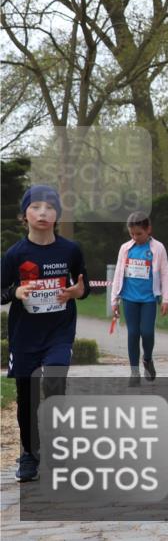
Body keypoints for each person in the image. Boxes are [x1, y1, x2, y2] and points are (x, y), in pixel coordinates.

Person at [1, 185, 89, 482]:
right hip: (24, 335)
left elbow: (84, 286)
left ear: (57, 215)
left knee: (54, 376)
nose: (43, 212)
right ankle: (29, 453)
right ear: (24, 215)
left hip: (58, 331)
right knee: (27, 396)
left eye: (50, 208)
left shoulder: (70, 250)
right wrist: (16, 291)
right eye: (36, 207)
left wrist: (76, 291)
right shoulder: (15, 254)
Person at [111, 211, 168, 387]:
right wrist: (114, 299)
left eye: (139, 233)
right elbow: (118, 273)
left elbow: (165, 273)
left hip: (149, 299)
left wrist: (166, 299)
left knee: (147, 332)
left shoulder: (158, 248)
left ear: (148, 229)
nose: (135, 237)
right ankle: (134, 371)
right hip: (129, 298)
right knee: (133, 333)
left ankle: (147, 359)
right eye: (132, 234)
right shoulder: (125, 248)